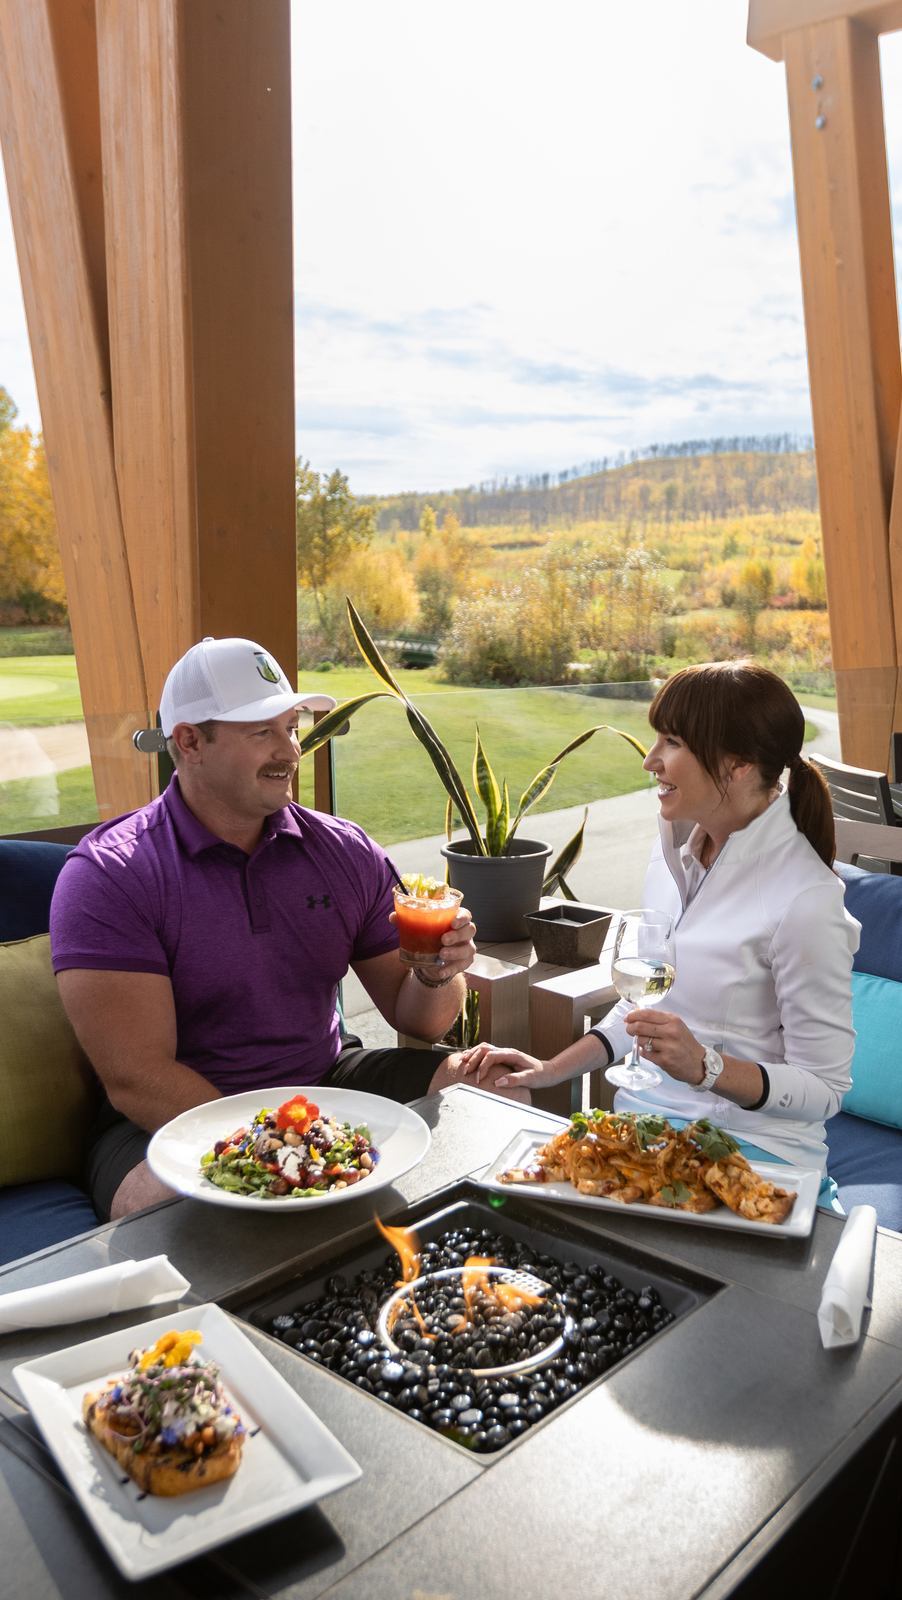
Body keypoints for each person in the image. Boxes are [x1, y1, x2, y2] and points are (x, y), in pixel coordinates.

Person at [50, 636, 526, 1222]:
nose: (290, 751)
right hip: (168, 1117)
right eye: (261, 733)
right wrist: (289, 1146)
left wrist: (436, 973)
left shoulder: (344, 851)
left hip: (326, 1079)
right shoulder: (111, 874)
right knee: (170, 1199)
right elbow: (137, 1079)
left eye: (291, 726)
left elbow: (420, 1022)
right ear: (190, 743)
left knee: (499, 1086)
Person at [461, 660, 858, 1181]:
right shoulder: (673, 853)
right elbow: (642, 1008)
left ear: (737, 763)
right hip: (643, 1132)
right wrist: (549, 1068)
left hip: (754, 1158)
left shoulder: (806, 899)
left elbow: (823, 1092)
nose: (651, 761)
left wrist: (704, 1067)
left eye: (671, 741)